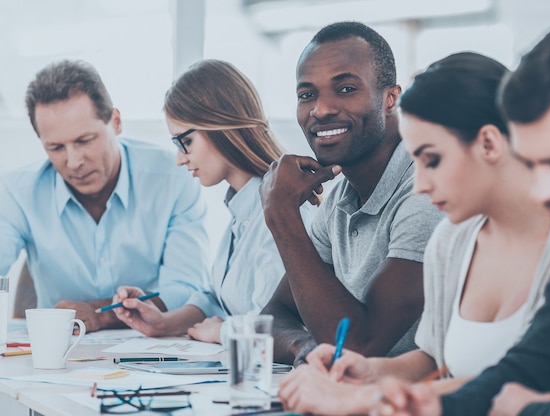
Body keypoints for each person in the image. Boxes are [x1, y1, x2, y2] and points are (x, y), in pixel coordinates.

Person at [277, 52, 550, 415]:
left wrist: (370, 398)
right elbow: (434, 360)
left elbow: (535, 384)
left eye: (432, 160)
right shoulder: (452, 240)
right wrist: (369, 371)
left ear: (489, 144)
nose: (420, 186)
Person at [368, 22, 550, 416]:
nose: (543, 191)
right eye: (534, 166)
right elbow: (535, 363)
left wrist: (532, 412)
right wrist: (430, 405)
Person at [259, 20, 443, 366]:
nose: (321, 109)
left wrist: (282, 215)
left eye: (345, 89)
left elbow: (361, 345)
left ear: (391, 98)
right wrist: (306, 347)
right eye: (306, 94)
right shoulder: (342, 196)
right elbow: (272, 316)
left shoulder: (427, 192)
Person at [0, 60, 209, 332]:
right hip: (60, 352)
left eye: (84, 140)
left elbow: (186, 289)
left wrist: (100, 314)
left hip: (153, 346)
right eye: (56, 147)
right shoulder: (17, 192)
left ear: (116, 122)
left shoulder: (174, 177)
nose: (74, 161)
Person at [112, 59, 305, 345]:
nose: (179, 158)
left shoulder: (282, 209)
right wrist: (163, 323)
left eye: (185, 142)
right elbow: (218, 299)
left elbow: (273, 322)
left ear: (220, 126)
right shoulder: (240, 211)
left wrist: (221, 332)